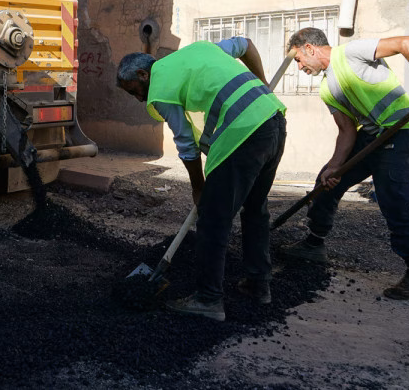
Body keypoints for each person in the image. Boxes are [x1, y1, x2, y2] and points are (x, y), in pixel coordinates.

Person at [117, 37, 287, 321]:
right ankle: (259, 285)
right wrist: (263, 86)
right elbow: (245, 44)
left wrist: (199, 188)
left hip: (243, 134)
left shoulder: (160, 88)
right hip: (274, 121)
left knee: (212, 219)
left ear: (143, 74)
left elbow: (185, 144)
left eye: (135, 91)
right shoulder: (200, 50)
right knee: (255, 209)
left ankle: (208, 300)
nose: (138, 99)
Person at [281, 27, 409, 300]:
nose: (299, 67)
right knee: (326, 182)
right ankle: (314, 243)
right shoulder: (327, 89)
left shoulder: (351, 54)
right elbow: (347, 132)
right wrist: (334, 167)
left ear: (309, 48)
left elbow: (407, 42)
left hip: (401, 136)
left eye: (298, 59)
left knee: (394, 201)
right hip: (369, 139)